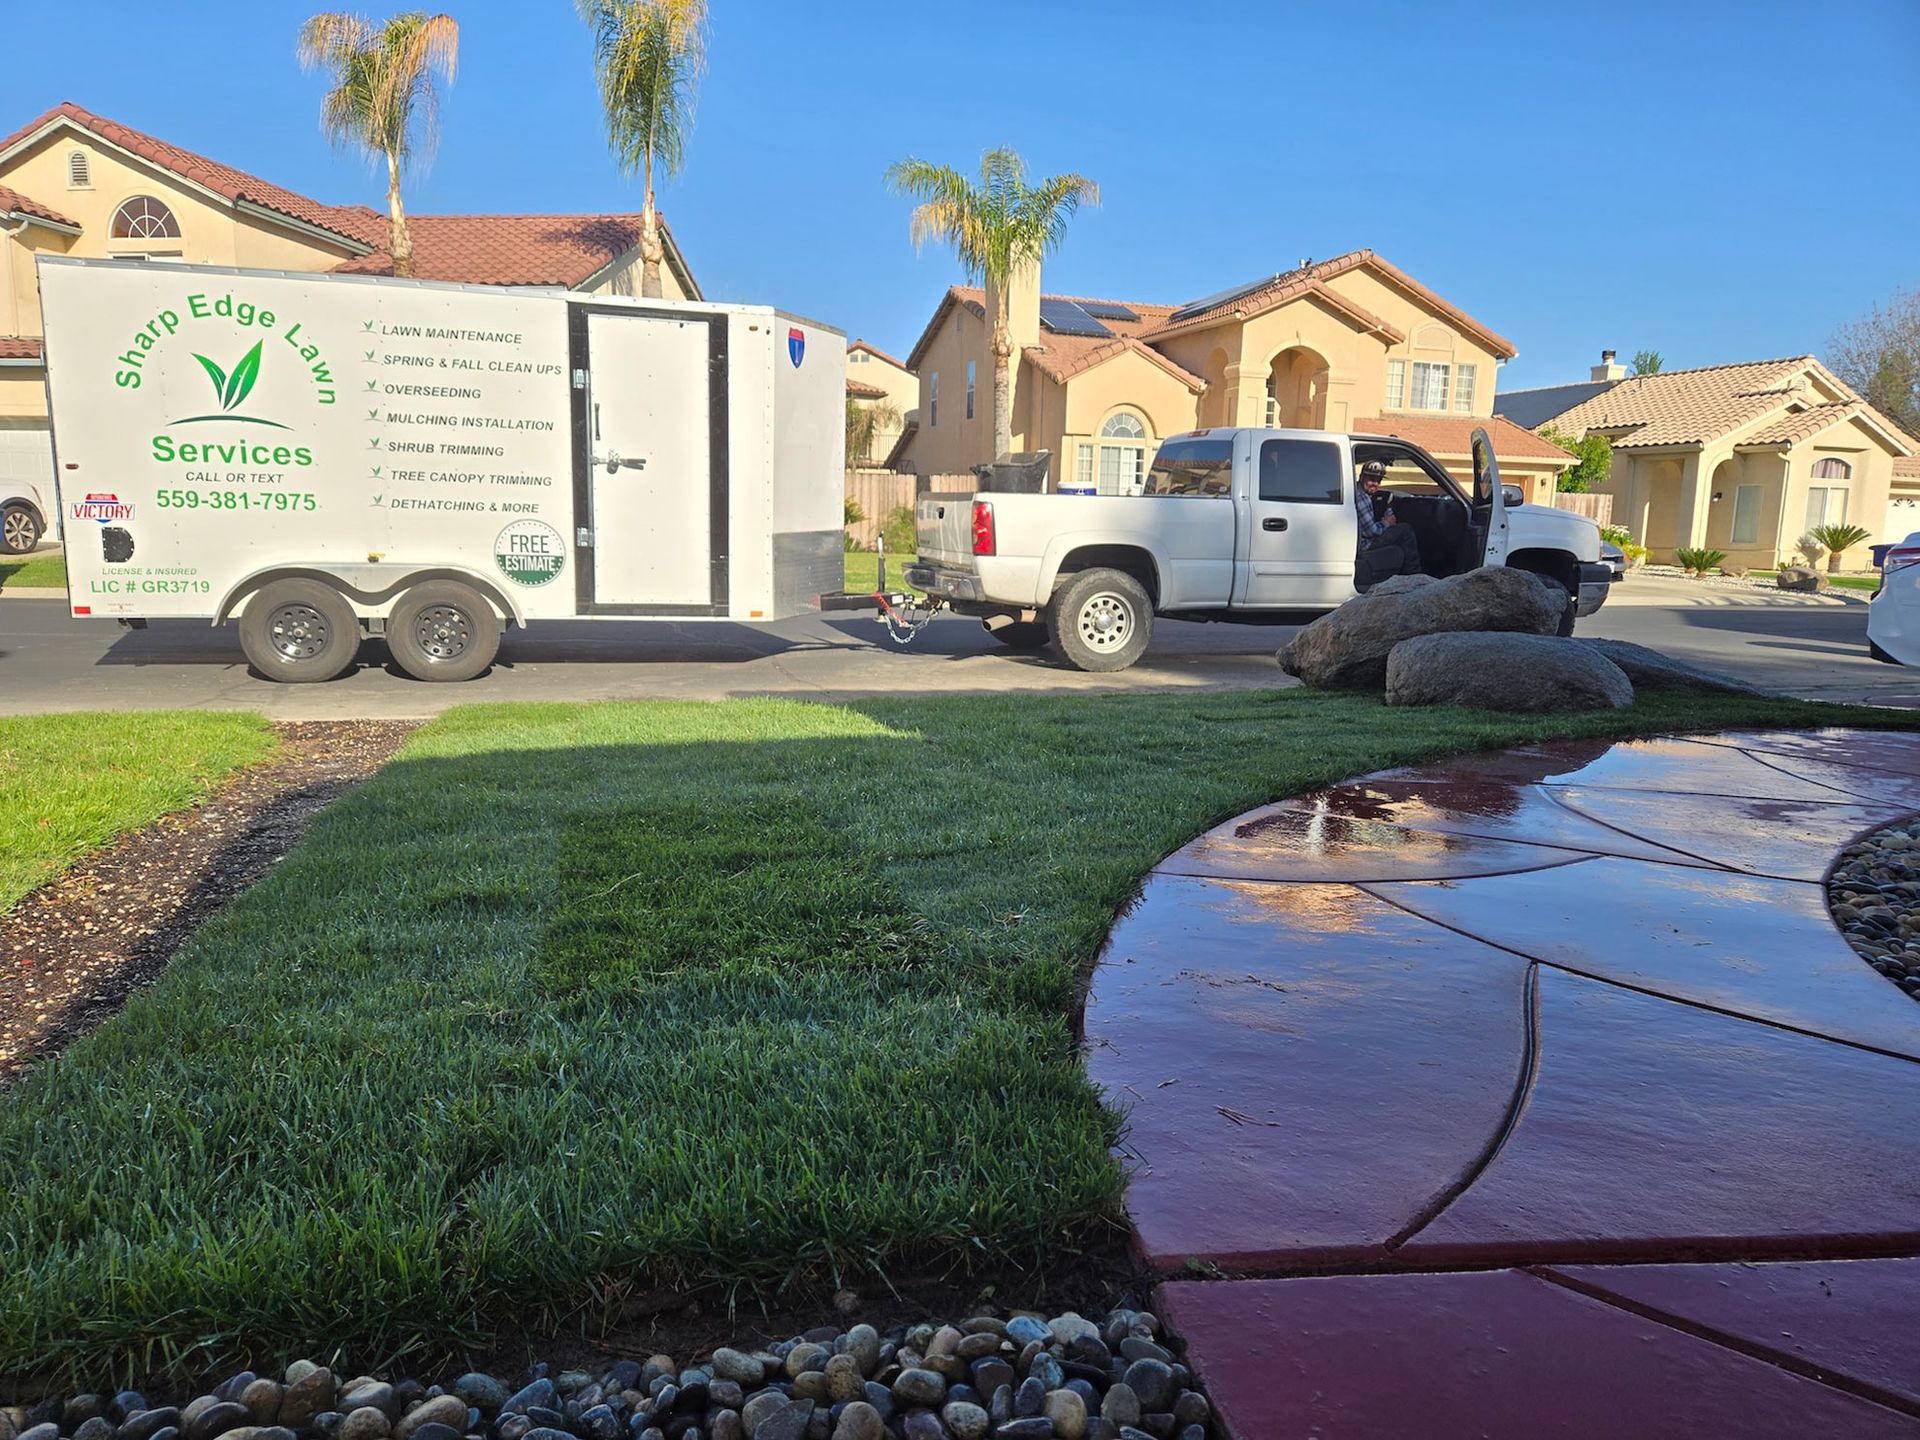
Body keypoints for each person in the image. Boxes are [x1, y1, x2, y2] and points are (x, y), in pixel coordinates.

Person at [1354, 460, 1422, 577]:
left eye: (1378, 480)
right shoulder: (1362, 498)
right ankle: (1413, 575)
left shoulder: (1360, 493)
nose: (1375, 484)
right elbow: (1372, 531)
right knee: (1405, 530)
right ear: (1361, 477)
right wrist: (1387, 523)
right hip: (1366, 545)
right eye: (1371, 479)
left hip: (1360, 542)